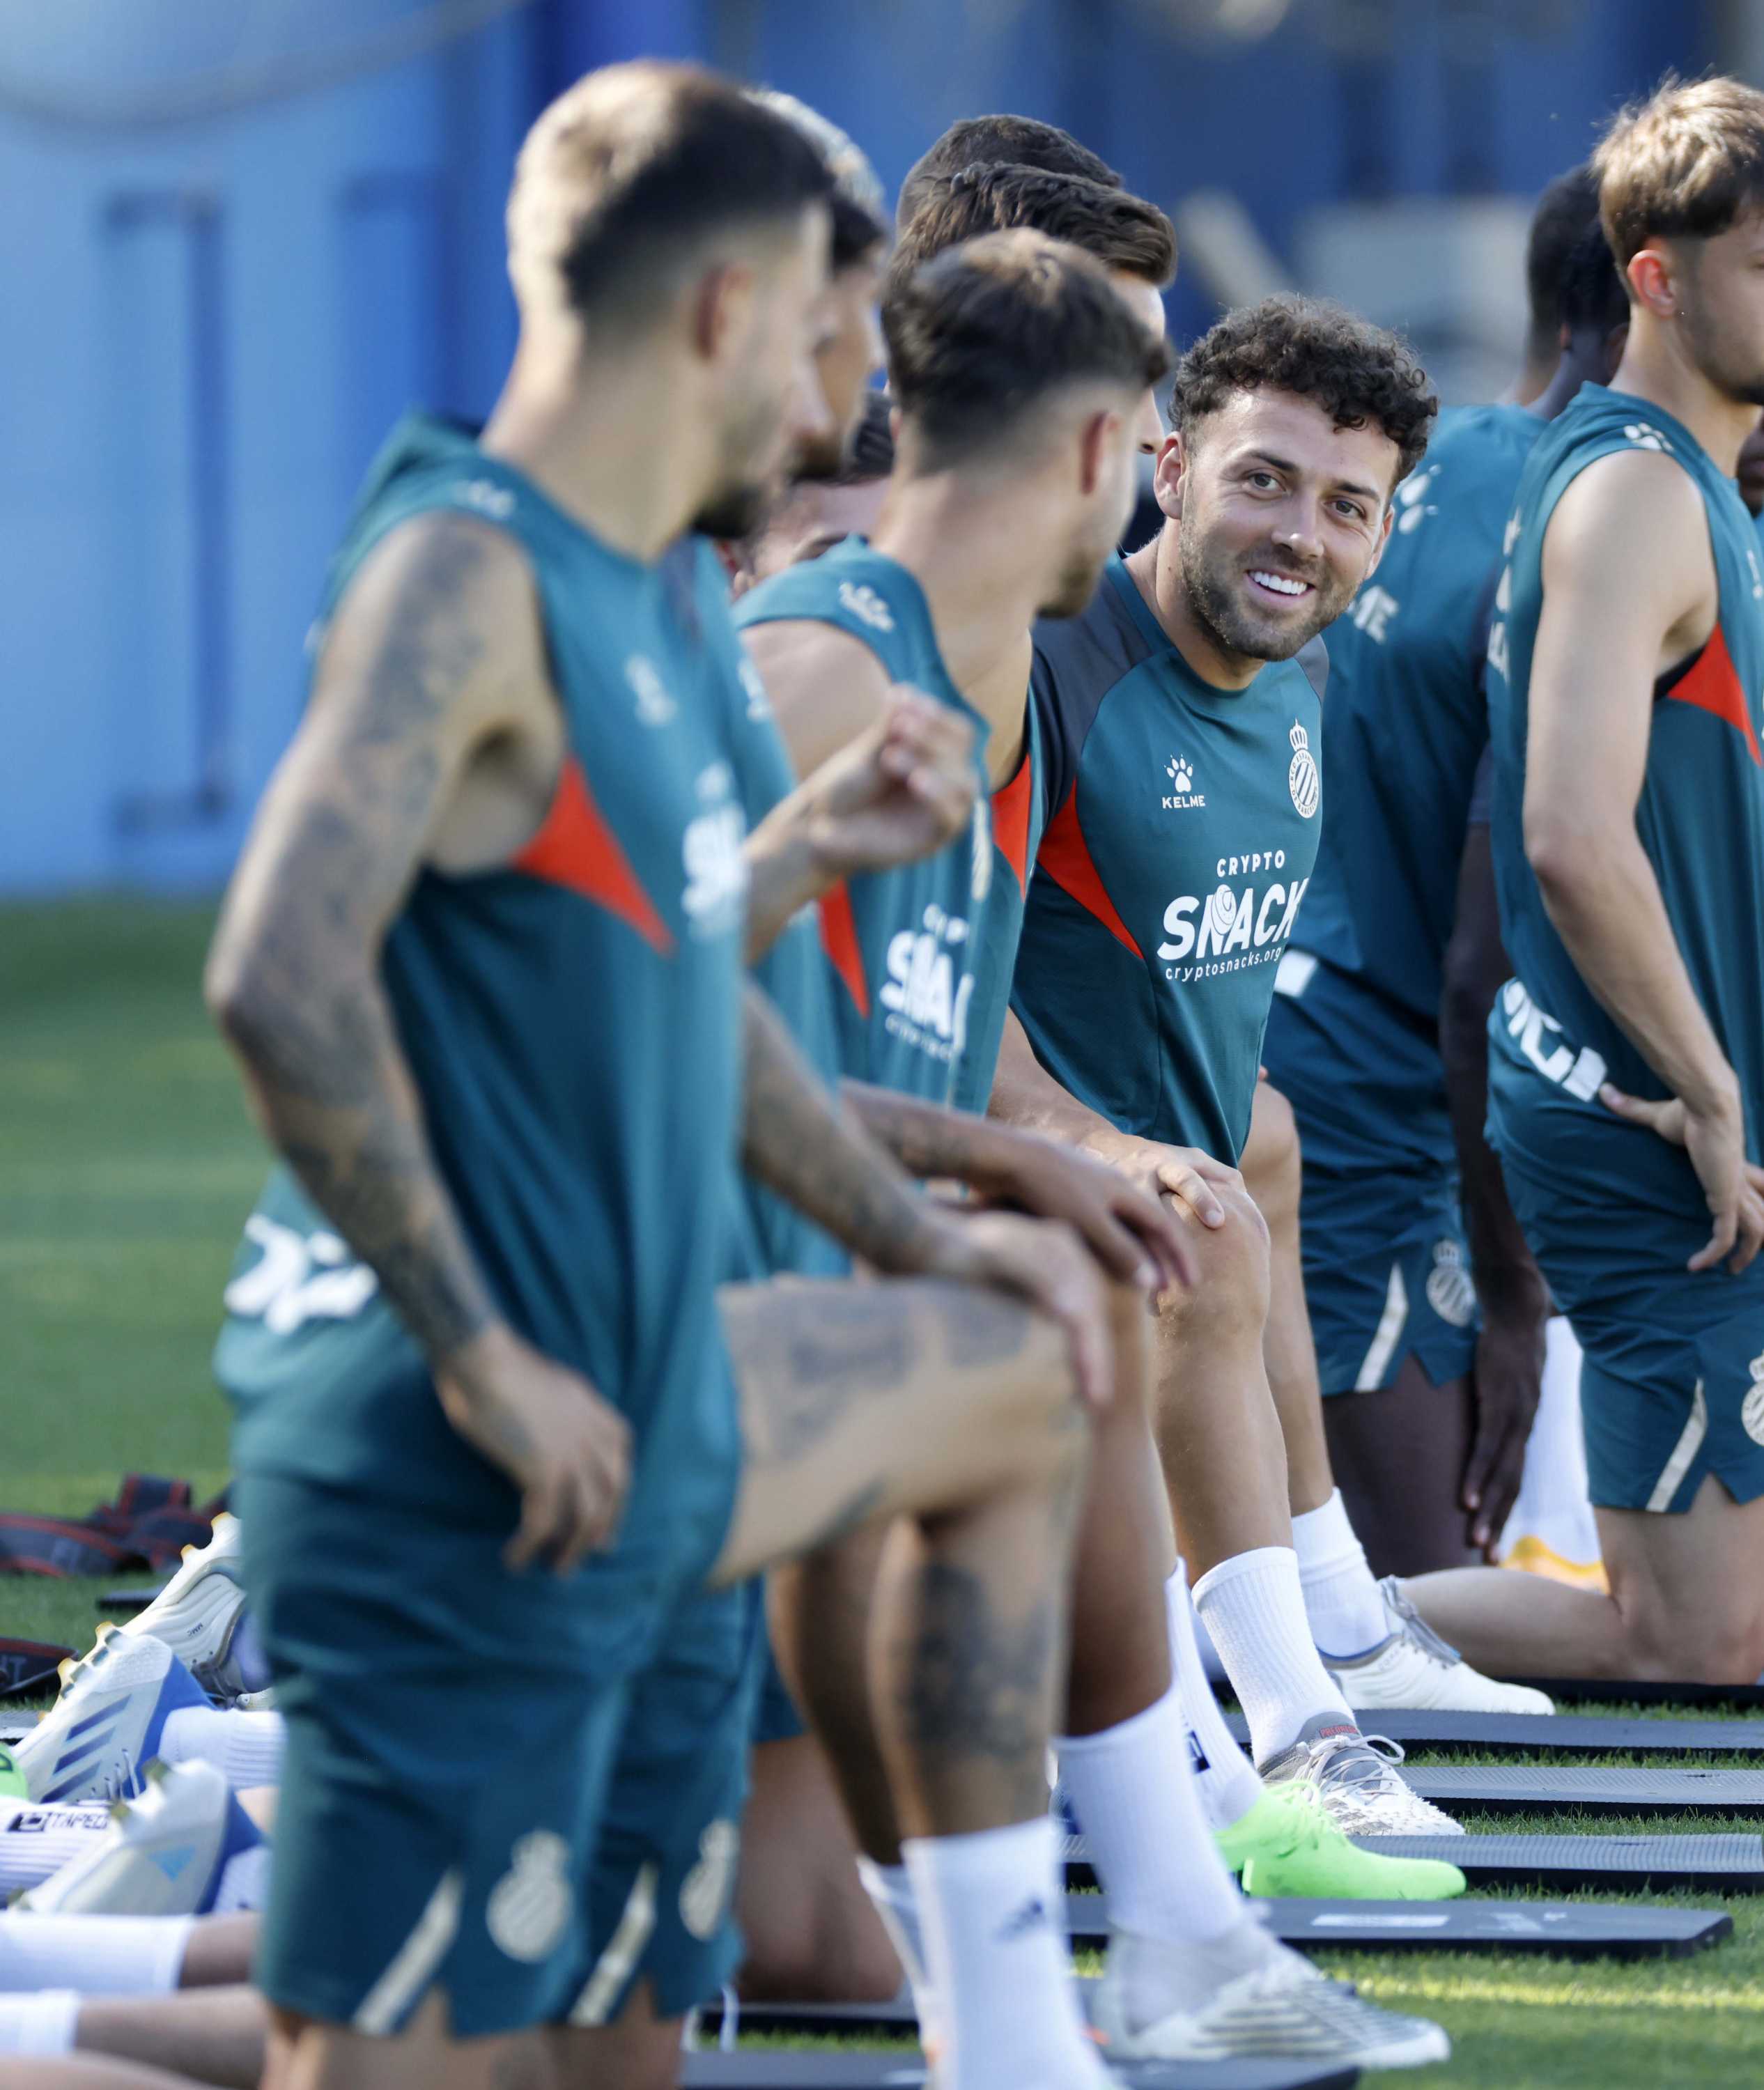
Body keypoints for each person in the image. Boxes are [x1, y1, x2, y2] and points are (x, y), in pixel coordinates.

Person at [199, 61, 1155, 2090]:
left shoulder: (643, 586)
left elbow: (674, 989)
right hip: (463, 1452)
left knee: (1021, 1359)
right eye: (825, 344)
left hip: (655, 1402)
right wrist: (479, 1356)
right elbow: (279, 975)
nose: (831, 414)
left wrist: (922, 1228)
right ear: (727, 311)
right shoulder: (465, 570)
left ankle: (1021, 2049)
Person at [738, 232, 1453, 2071]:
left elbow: (734, 1027)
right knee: (1044, 1331)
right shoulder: (835, 663)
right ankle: (1190, 1878)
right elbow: (576, 1015)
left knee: (793, 1946)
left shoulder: (959, 683)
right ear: (1113, 453)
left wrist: (1005, 1167)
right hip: (619, 1364)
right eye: (1165, 445)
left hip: (785, 1338)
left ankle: (1154, 1919)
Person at [991, 295, 1542, 1811]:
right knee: (1206, 1209)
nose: (1302, 534)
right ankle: (1304, 1735)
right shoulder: (1046, 672)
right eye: (1264, 480)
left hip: (1164, 1245)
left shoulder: (1291, 684)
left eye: (1347, 506)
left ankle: (1341, 1622)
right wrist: (1098, 1148)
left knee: (1260, 1143)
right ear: (1169, 469)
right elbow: (930, 987)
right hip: (997, 1226)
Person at [1407, 75, 1764, 1685]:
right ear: (1657, 278)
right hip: (1654, 1125)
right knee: (1689, 1640)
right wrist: (1710, 1085)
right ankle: (1254, 1658)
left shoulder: (1696, 487)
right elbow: (1565, 829)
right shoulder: (1634, 492)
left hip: (1697, 1110)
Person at [1258, 196, 1630, 1577]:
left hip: (1332, 1053)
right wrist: (1517, 1300)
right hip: (1387, 1104)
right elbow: (1482, 974)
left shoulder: (1454, 456)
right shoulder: (1579, 537)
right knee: (1414, 1605)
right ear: (1631, 307)